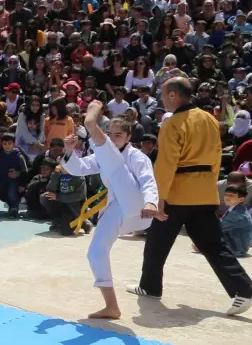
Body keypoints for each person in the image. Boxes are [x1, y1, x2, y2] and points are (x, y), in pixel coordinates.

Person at [130, 78, 252, 313]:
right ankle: (243, 289)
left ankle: (150, 287)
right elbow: (217, 157)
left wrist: (159, 198)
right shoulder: (208, 118)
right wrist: (209, 184)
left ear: (174, 95)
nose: (163, 99)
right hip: (204, 191)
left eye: (164, 95)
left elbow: (166, 163)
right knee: (214, 245)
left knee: (156, 243)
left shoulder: (172, 123)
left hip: (177, 193)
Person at [61, 103, 158, 319]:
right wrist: (69, 151)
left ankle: (89, 124)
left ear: (129, 136)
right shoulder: (102, 157)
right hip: (117, 208)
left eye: (119, 135)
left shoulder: (137, 157)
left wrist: (151, 203)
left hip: (138, 206)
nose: (115, 139)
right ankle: (111, 306)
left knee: (116, 165)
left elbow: (148, 181)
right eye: (110, 135)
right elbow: (79, 169)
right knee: (95, 252)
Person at [221, 184, 252, 257]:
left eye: (231, 195)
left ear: (241, 199)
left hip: (236, 249)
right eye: (226, 194)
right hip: (235, 245)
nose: (227, 197)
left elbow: (218, 228)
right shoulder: (236, 209)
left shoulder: (238, 215)